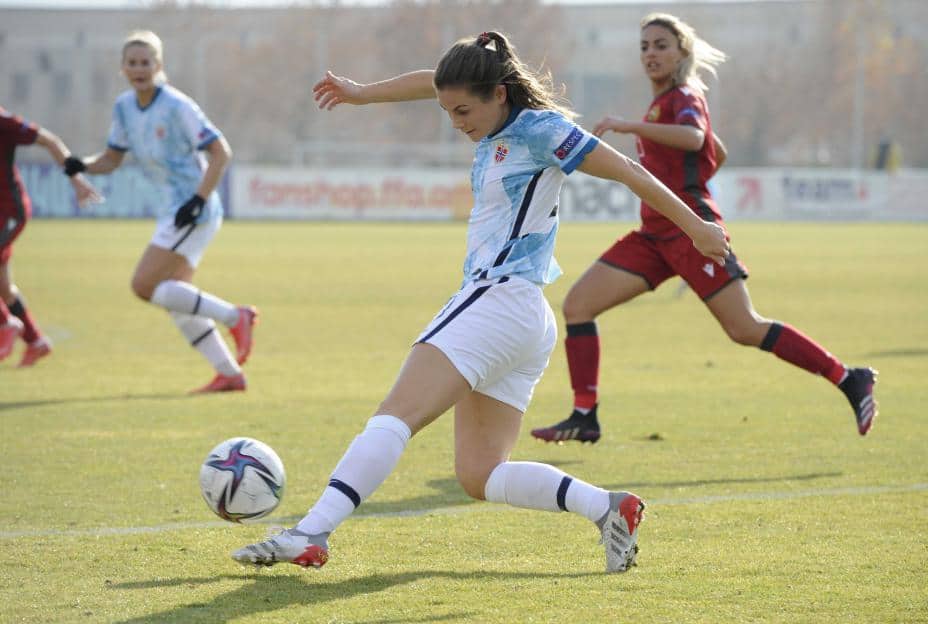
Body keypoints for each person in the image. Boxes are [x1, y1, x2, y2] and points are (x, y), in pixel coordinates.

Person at [231, 31, 729, 573]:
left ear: (499, 94)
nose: (455, 122)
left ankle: (311, 531)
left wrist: (697, 226)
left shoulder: (543, 131)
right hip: (522, 315)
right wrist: (362, 93)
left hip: (498, 297)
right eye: (447, 111)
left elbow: (630, 171)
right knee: (479, 473)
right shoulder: (486, 108)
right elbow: (432, 82)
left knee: (395, 416)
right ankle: (607, 508)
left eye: (463, 111)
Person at [530, 13, 878, 445]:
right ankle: (585, 415)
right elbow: (717, 149)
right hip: (653, 236)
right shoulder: (663, 103)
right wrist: (687, 166)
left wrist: (630, 127)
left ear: (682, 53)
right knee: (578, 305)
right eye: (644, 47)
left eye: (661, 45)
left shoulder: (684, 95)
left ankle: (848, 377)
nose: (651, 54)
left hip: (691, 233)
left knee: (744, 328)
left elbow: (696, 138)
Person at [64, 30, 258, 393]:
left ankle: (237, 316)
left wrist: (198, 199)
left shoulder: (177, 106)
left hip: (193, 209)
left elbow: (221, 152)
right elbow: (112, 159)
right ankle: (229, 374)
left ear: (159, 66)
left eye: (146, 62)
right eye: (133, 63)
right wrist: (83, 164)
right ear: (123, 68)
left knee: (144, 285)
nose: (139, 69)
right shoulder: (124, 107)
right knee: (172, 294)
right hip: (173, 209)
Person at [0, 107, 102, 366]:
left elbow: (50, 140)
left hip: (8, 210)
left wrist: (75, 179)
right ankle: (36, 341)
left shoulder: (4, 121)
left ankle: (5, 323)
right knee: (4, 288)